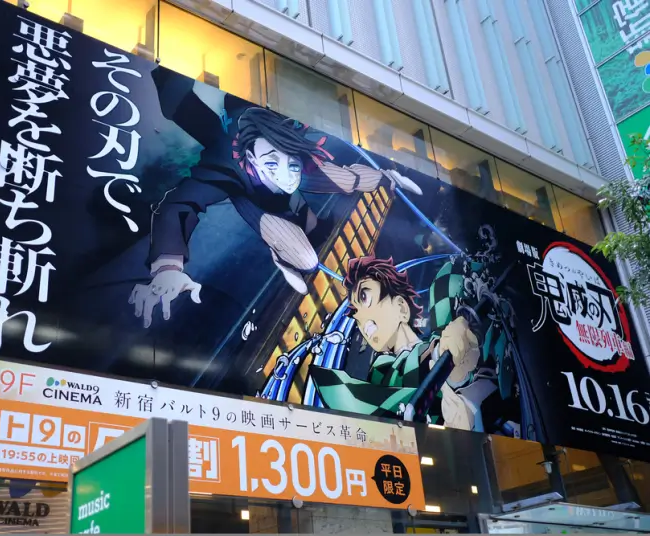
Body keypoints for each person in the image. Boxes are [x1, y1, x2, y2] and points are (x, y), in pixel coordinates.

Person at [129, 68, 422, 327]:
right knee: (306, 259)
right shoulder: (229, 167)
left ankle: (301, 233)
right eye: (271, 163)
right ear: (251, 160)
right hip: (252, 189)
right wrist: (167, 268)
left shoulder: (301, 164)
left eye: (291, 165)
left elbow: (351, 179)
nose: (286, 174)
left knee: (330, 190)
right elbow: (178, 206)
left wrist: (387, 177)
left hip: (265, 151)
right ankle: (283, 254)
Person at [309, 256, 500, 431]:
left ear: (401, 307)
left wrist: (460, 365)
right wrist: (441, 353)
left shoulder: (441, 317)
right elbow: (403, 377)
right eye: (356, 316)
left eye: (365, 297)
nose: (363, 323)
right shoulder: (382, 369)